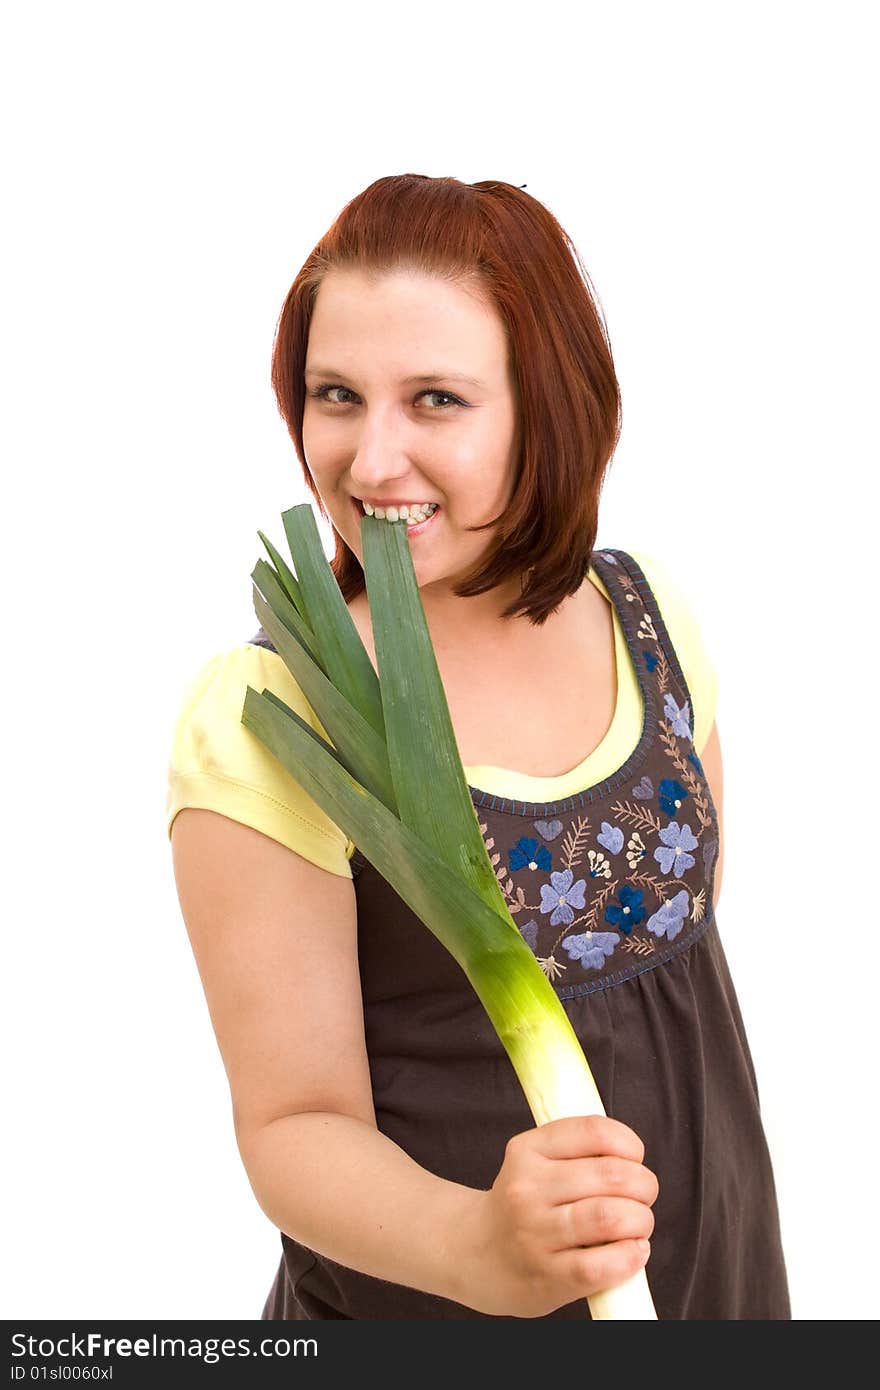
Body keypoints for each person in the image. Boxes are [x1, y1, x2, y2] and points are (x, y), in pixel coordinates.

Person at [166, 174, 790, 1320]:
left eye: (437, 400)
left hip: (712, 1274)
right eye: (337, 395)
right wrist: (477, 1245)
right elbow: (292, 1126)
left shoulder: (648, 622)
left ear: (545, 406)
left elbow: (680, 981)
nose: (369, 461)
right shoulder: (275, 709)